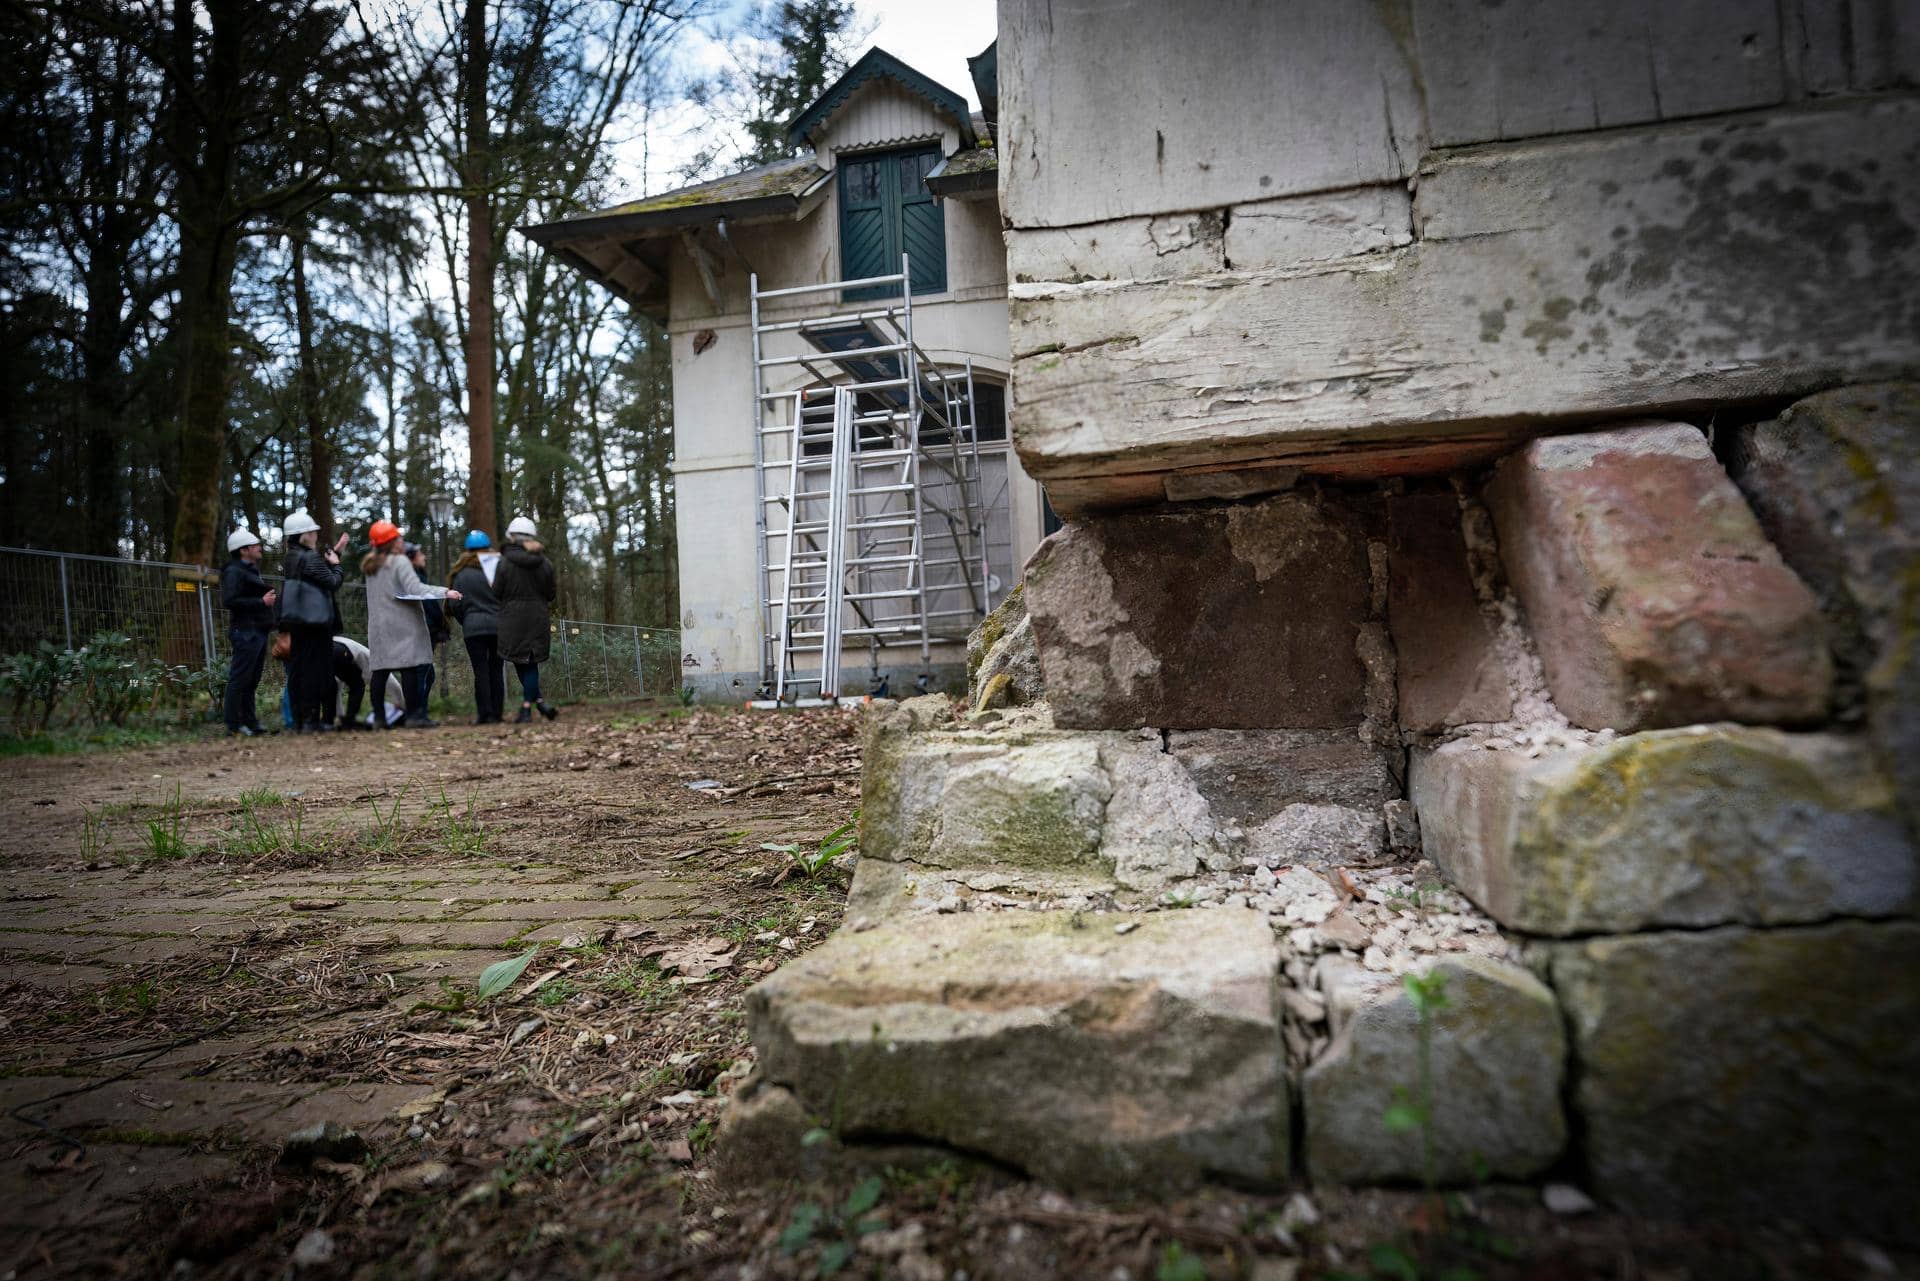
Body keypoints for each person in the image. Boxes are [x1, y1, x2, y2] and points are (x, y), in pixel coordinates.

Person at [362, 519, 459, 729]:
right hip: (403, 623)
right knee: (409, 667)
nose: (402, 539)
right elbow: (414, 588)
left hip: (379, 625)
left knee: (380, 670)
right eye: (398, 536)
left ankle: (379, 718)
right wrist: (444, 592)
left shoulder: (371, 564)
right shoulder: (399, 562)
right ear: (392, 542)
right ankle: (415, 716)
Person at [279, 510, 347, 733]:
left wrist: (333, 555)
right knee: (317, 671)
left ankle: (300, 720)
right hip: (317, 624)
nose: (316, 534)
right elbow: (331, 582)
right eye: (312, 531)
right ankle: (312, 720)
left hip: (299, 622)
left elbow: (314, 577)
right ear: (303, 535)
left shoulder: (292, 557)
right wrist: (337, 564)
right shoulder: (309, 557)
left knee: (299, 670)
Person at [494, 515, 558, 723]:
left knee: (523, 662)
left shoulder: (503, 563)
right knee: (528, 662)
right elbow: (550, 594)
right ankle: (539, 703)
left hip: (512, 618)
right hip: (537, 617)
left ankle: (525, 708)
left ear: (512, 537)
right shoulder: (545, 564)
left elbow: (497, 591)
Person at [219, 528, 277, 736]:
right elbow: (230, 601)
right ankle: (233, 725)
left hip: (256, 630)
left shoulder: (250, 570)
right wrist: (261, 602)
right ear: (243, 550)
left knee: (252, 679)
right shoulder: (233, 571)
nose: (259, 548)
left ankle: (250, 722)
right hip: (245, 631)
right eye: (255, 546)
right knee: (240, 677)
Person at [448, 530, 505, 724]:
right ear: (488, 547)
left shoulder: (460, 574)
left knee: (480, 671)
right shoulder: (497, 570)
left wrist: (467, 619)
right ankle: (497, 713)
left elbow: (454, 604)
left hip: (473, 629)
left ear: (467, 550)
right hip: (498, 627)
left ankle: (484, 714)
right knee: (496, 669)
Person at [407, 543, 450, 714]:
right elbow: (428, 601)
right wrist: (441, 621)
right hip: (424, 628)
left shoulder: (417, 576)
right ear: (412, 559)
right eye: (420, 554)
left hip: (425, 627)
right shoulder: (414, 578)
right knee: (423, 671)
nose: (424, 556)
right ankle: (418, 712)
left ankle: (419, 710)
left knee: (427, 672)